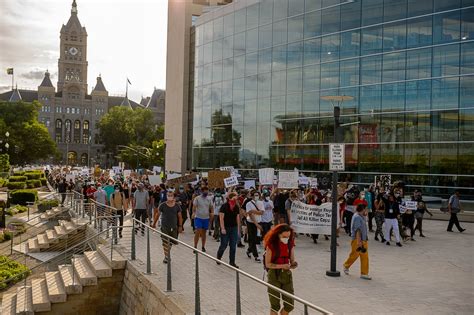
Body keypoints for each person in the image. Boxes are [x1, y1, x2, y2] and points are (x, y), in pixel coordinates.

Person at [263, 224, 297, 315]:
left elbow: (292, 259)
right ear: (278, 234)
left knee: (290, 305)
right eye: (284, 236)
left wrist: (293, 263)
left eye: (288, 236)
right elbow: (268, 264)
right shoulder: (271, 245)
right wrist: (282, 266)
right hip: (273, 274)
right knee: (275, 305)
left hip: (286, 274)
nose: (286, 238)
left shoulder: (290, 243)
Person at [153, 191, 183, 263]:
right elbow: (158, 214)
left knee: (171, 242)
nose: (169, 197)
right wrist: (154, 223)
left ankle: (167, 254)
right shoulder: (162, 205)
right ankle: (167, 256)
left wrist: (180, 226)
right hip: (164, 227)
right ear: (166, 196)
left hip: (174, 227)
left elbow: (180, 216)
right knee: (165, 242)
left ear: (173, 197)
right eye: (168, 195)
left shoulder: (177, 206)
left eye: (171, 195)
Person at [343, 204, 371, 280]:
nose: (367, 210)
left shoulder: (361, 216)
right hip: (357, 240)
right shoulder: (357, 217)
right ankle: (346, 265)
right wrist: (359, 241)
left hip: (363, 239)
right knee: (354, 255)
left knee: (365, 257)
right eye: (366, 209)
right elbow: (357, 230)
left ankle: (364, 273)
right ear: (363, 209)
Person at [216, 192, 241, 268]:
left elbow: (237, 218)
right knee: (224, 244)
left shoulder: (236, 207)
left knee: (233, 245)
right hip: (226, 227)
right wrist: (222, 228)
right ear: (230, 198)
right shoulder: (224, 206)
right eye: (234, 198)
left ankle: (232, 262)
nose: (236, 199)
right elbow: (221, 218)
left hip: (234, 228)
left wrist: (239, 229)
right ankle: (219, 257)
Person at [192, 186, 214, 252]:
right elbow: (194, 206)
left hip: (206, 218)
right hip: (198, 217)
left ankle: (203, 246)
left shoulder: (209, 199)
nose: (206, 192)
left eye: (207, 191)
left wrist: (212, 213)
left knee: (204, 233)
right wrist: (193, 213)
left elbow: (211, 207)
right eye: (204, 191)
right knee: (198, 232)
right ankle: (195, 246)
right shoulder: (197, 198)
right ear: (202, 191)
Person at [246, 191, 264, 262]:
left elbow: (262, 212)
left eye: (258, 195)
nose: (257, 196)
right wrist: (256, 224)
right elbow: (250, 214)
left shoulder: (260, 203)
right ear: (252, 196)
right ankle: (256, 256)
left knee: (257, 238)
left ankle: (249, 250)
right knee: (253, 239)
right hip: (251, 223)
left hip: (259, 221)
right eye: (255, 195)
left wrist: (253, 210)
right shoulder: (248, 204)